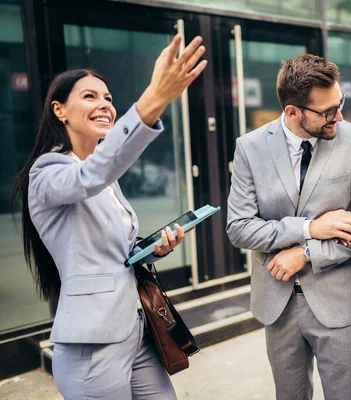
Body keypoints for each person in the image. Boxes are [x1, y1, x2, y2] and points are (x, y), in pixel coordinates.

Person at [12, 34, 207, 400]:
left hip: (137, 328)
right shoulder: (48, 172)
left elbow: (118, 252)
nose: (104, 104)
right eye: (90, 96)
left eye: (108, 98)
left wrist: (154, 249)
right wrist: (154, 100)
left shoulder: (104, 177)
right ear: (59, 110)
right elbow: (89, 178)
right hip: (92, 344)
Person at [226, 54, 351, 400]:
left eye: (339, 103)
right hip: (276, 303)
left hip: (338, 303)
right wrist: (310, 228)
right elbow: (239, 227)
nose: (339, 116)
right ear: (292, 112)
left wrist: (306, 253)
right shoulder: (249, 148)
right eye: (328, 111)